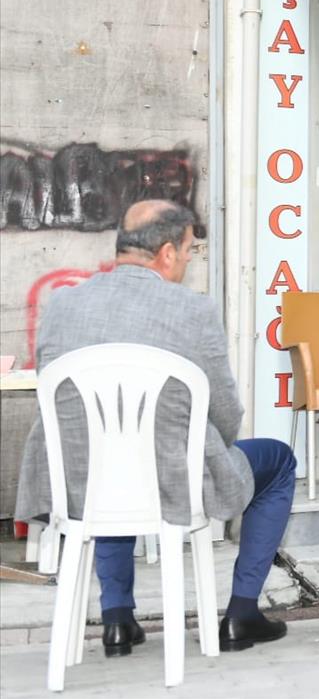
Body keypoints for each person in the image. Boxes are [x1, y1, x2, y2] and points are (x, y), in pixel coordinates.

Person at [14, 200, 295, 655]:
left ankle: (118, 619)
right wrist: (211, 449)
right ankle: (242, 612)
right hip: (169, 484)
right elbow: (225, 412)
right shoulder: (192, 310)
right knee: (279, 460)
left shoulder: (63, 303)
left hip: (76, 484)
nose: (188, 262)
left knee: (107, 462)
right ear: (166, 252)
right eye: (188, 251)